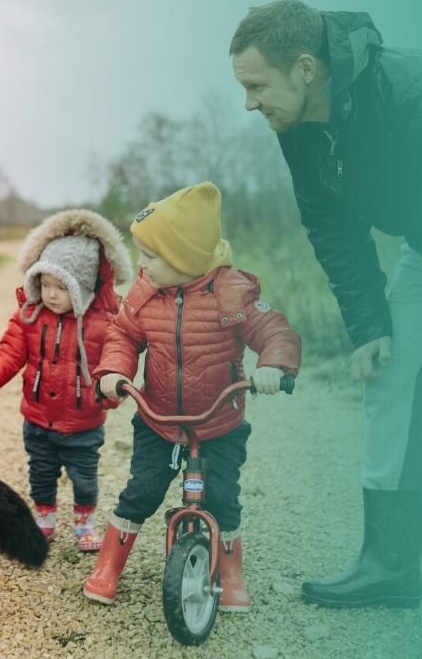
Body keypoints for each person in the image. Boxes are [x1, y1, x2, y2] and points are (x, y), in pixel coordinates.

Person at [228, 0, 422, 659]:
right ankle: (389, 565)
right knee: (387, 373)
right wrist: (367, 325)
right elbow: (332, 229)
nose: (250, 104)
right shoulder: (300, 125)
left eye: (256, 86)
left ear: (305, 68)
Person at [82, 181, 301, 610]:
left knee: (221, 498)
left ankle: (232, 575)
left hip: (219, 422)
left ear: (184, 257)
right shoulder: (145, 294)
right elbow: (122, 336)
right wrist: (113, 372)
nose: (141, 265)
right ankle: (107, 568)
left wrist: (274, 364)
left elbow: (274, 328)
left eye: (150, 255)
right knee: (141, 491)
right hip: (159, 420)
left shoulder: (232, 292)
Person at [0, 209, 132, 551]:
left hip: (83, 423)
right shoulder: (30, 316)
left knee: (84, 478)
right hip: (38, 419)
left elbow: (115, 363)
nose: (52, 295)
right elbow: (9, 351)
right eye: (45, 285)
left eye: (62, 287)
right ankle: (44, 516)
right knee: (40, 473)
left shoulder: (103, 324)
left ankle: (85, 520)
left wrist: (111, 392)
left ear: (84, 287)